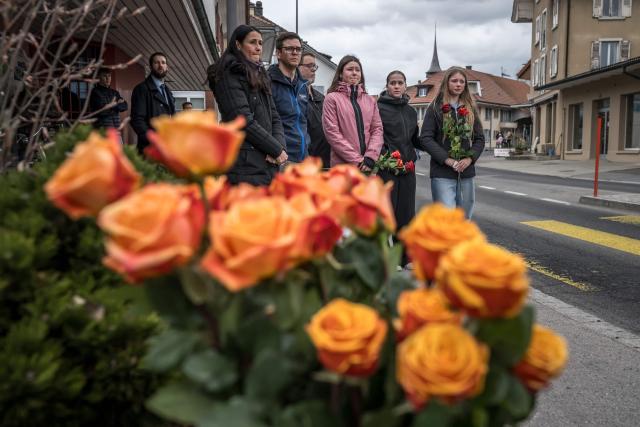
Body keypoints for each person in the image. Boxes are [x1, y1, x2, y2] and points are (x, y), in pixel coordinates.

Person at [207, 25, 287, 186]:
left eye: (260, 43)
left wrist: (278, 149)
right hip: (244, 166)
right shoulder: (228, 74)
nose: (258, 48)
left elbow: (275, 117)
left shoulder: (259, 75)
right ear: (238, 45)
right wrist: (275, 149)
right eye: (252, 42)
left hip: (267, 163)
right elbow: (242, 120)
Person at [419, 66, 485, 219]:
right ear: (447, 82)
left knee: (464, 217)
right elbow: (426, 138)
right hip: (442, 172)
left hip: (465, 172)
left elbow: (480, 139)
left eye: (462, 81)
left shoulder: (470, 108)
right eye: (454, 80)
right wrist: (447, 160)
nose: (458, 84)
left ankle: (460, 244)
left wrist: (469, 159)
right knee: (446, 218)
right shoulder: (435, 107)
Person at [377, 70, 422, 265]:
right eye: (392, 83)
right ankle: (387, 258)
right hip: (387, 168)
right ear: (387, 86)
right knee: (388, 214)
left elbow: (415, 139)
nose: (396, 86)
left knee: (406, 214)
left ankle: (403, 258)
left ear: (405, 86)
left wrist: (439, 147)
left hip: (407, 169)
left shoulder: (411, 111)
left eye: (400, 82)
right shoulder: (378, 108)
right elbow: (374, 136)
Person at [322, 55, 383, 172]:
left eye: (357, 70)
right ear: (340, 73)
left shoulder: (370, 100)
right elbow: (332, 133)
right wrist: (358, 160)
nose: (354, 73)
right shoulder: (332, 98)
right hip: (343, 168)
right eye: (350, 69)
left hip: (368, 166)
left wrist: (370, 156)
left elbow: (377, 129)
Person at [268, 32, 309, 163]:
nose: (295, 52)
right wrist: (274, 150)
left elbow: (303, 121)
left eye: (298, 49)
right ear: (278, 53)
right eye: (290, 49)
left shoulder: (303, 85)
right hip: (280, 159)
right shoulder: (268, 82)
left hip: (303, 158)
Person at [130, 52, 175, 153]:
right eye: (156, 63)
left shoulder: (167, 91)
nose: (160, 66)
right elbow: (137, 120)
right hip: (150, 149)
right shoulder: (141, 89)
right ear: (150, 66)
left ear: (167, 67)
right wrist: (153, 140)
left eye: (163, 63)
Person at [298, 52, 330, 168]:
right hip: (306, 162)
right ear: (297, 67)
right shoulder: (294, 96)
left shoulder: (321, 98)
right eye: (309, 66)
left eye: (314, 66)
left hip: (326, 161)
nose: (313, 70)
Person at [89, 68, 128, 133]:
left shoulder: (115, 92)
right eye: (104, 76)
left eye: (109, 76)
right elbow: (101, 111)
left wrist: (110, 106)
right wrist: (117, 105)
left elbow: (125, 106)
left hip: (116, 129)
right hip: (102, 130)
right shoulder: (95, 92)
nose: (108, 79)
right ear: (99, 78)